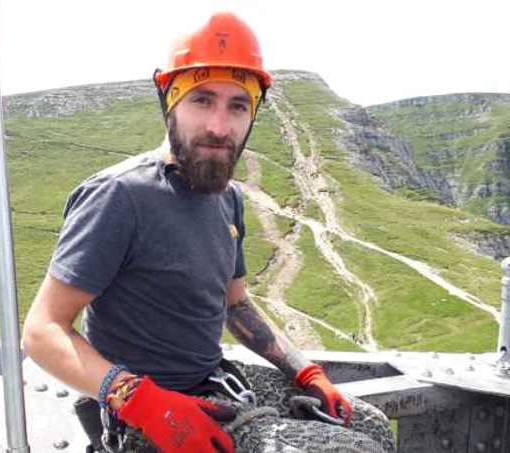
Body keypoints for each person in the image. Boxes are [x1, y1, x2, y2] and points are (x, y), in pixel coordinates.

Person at [22, 11, 395, 453]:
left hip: (212, 383)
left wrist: (306, 372)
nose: (220, 127)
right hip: (143, 413)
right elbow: (42, 330)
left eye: (237, 105)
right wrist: (141, 402)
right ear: (170, 101)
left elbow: (235, 304)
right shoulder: (120, 196)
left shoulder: (227, 196)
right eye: (202, 100)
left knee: (368, 424)